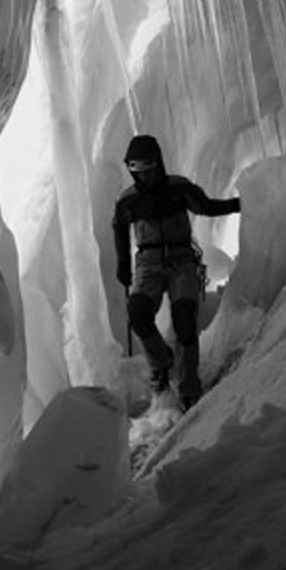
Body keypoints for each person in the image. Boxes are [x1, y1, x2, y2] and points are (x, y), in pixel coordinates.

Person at [112, 133, 241, 409]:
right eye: (137, 169)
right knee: (138, 313)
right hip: (148, 264)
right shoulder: (128, 201)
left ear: (158, 163)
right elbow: (119, 229)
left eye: (148, 167)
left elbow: (206, 207)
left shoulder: (178, 189)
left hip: (183, 262)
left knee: (184, 319)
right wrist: (123, 264)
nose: (144, 176)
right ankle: (161, 362)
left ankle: (188, 386)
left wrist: (239, 204)